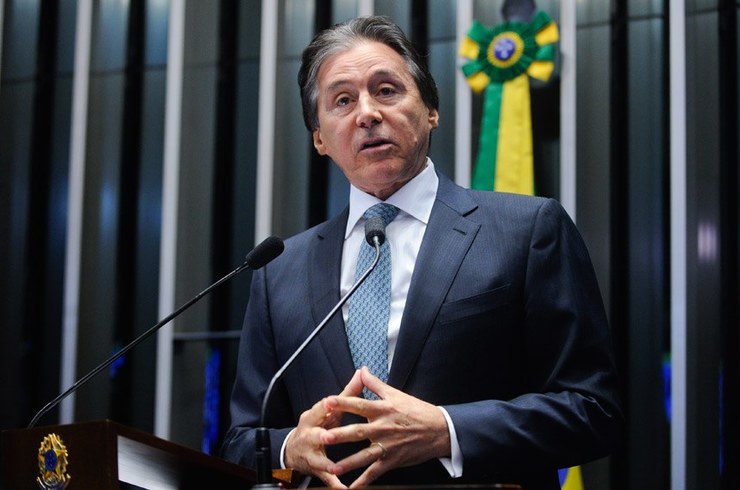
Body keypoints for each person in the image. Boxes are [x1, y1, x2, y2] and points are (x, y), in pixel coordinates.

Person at [222, 16, 623, 489]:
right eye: (342, 100)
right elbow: (240, 441)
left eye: (386, 90)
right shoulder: (279, 271)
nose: (367, 113)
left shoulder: (527, 230)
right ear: (319, 138)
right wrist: (290, 446)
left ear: (431, 109)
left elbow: (593, 410)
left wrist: (447, 431)